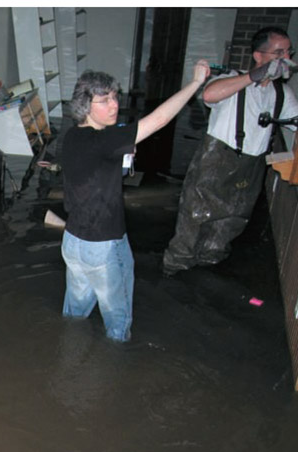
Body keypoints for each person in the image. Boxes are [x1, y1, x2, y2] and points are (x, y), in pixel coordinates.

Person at [60, 60, 211, 342]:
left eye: (115, 97)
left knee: (75, 315)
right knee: (118, 322)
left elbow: (99, 164)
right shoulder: (104, 142)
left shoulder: (71, 137)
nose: (114, 105)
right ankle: (114, 371)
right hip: (104, 246)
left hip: (74, 242)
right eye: (104, 100)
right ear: (85, 105)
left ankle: (68, 354)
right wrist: (195, 84)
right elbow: (160, 120)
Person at [162, 27, 298, 275]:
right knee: (196, 213)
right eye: (278, 53)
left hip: (252, 164)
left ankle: (210, 258)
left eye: (288, 52)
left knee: (235, 214)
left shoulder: (282, 92)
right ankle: (176, 263)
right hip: (217, 157)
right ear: (259, 56)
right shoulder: (232, 79)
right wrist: (255, 76)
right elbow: (210, 94)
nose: (285, 58)